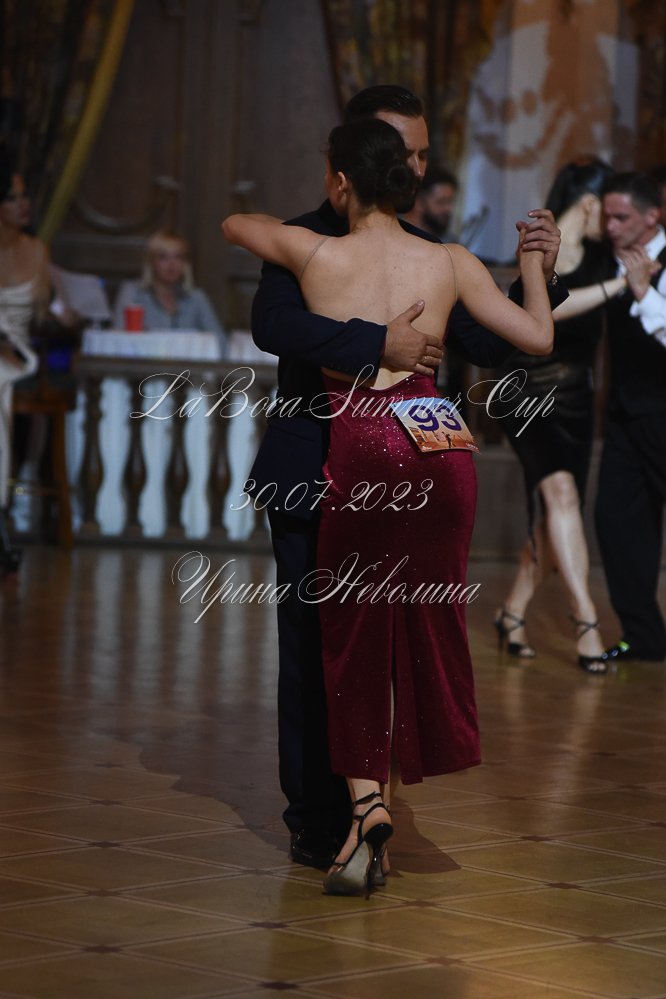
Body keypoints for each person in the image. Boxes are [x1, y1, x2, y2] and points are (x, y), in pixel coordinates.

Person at [223, 117, 553, 895]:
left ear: (341, 182)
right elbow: (537, 337)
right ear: (406, 180)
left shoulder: (317, 252)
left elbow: (236, 224)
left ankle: (368, 806)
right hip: (444, 454)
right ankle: (376, 812)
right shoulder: (449, 259)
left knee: (352, 638)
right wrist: (534, 267)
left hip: (366, 449)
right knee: (422, 629)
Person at [494, 158, 620, 673]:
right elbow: (545, 308)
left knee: (553, 523)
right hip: (527, 391)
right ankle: (586, 622)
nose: (613, 221)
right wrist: (617, 287)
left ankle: (512, 612)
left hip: (575, 397)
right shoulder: (542, 246)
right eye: (609, 210)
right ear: (589, 202)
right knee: (562, 496)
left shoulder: (604, 256)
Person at [595, 172, 666, 664]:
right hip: (625, 416)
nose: (611, 226)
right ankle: (644, 637)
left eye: (621, 217)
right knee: (616, 521)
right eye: (606, 216)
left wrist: (644, 293)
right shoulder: (609, 258)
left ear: (651, 216)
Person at [0, 153, 43, 565]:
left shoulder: (38, 251)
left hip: (20, 354)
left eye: (25, 195)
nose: (23, 204)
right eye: (13, 197)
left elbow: (45, 316)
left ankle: (3, 510)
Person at [113, 230, 226, 347]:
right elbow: (118, 339)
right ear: (151, 262)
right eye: (163, 257)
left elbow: (220, 342)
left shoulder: (195, 297)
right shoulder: (133, 291)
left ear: (185, 263)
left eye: (178, 257)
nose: (172, 265)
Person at [402, 166, 458, 240]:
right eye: (441, 202)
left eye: (450, 201)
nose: (449, 209)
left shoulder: (450, 241)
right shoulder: (399, 234)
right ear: (419, 202)